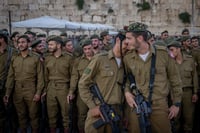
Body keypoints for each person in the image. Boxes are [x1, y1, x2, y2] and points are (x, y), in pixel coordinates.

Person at [124, 22, 182, 133]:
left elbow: (175, 79)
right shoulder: (128, 57)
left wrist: (176, 104)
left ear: (140, 38)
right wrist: (127, 93)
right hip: (137, 105)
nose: (126, 41)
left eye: (129, 38)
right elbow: (127, 79)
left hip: (159, 106)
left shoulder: (163, 54)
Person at [78, 32, 128, 132]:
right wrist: (92, 106)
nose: (129, 47)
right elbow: (83, 83)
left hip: (116, 112)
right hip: (99, 109)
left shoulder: (127, 62)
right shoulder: (100, 59)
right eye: (126, 44)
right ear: (118, 41)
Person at [3, 34, 44, 133]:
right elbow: (10, 77)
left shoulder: (36, 58)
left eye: (23, 42)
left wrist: (38, 93)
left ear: (29, 43)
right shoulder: (14, 58)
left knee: (33, 116)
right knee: (21, 116)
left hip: (31, 90)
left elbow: (40, 77)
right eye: (19, 43)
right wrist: (7, 93)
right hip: (17, 91)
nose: (20, 45)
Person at [43, 36, 73, 133]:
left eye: (51, 44)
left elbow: (74, 76)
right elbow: (45, 76)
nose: (49, 46)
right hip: (51, 88)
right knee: (51, 116)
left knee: (66, 116)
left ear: (59, 45)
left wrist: (71, 91)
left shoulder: (69, 58)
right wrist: (45, 90)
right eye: (48, 45)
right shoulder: (47, 58)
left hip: (64, 88)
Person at [167, 41, 199, 133]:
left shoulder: (190, 60)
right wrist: (172, 97)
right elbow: (169, 81)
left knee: (189, 119)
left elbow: (195, 77)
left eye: (172, 50)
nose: (171, 52)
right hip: (175, 94)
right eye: (169, 50)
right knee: (175, 119)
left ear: (178, 49)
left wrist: (195, 92)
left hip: (188, 93)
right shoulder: (170, 62)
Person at [67, 39, 94, 133]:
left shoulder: (99, 59)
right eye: (85, 49)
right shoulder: (78, 61)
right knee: (82, 114)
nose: (87, 51)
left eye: (89, 48)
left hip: (97, 91)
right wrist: (71, 91)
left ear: (92, 47)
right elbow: (74, 77)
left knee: (96, 113)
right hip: (82, 92)